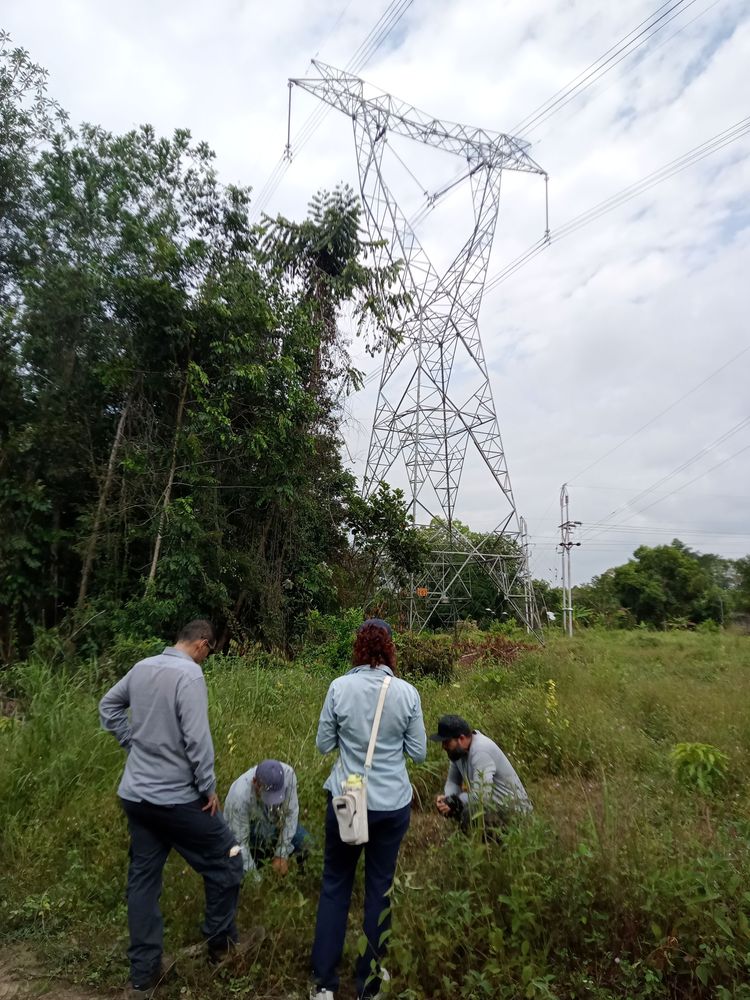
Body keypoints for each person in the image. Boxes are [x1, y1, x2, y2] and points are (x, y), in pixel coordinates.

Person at [99, 619, 244, 997]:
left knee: (143, 880)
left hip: (136, 796)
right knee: (228, 858)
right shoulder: (190, 677)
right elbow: (198, 740)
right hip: (175, 799)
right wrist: (208, 788)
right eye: (209, 652)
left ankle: (144, 976)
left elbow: (108, 706)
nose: (206, 659)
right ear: (201, 644)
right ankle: (221, 946)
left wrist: (131, 743)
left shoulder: (142, 667)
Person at [310, 618, 427, 1000]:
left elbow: (325, 744)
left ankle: (325, 985)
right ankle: (370, 985)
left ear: (358, 648)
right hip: (391, 805)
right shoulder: (407, 693)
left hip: (347, 800)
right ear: (391, 648)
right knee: (379, 890)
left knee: (335, 885)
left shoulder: (338, 688)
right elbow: (419, 753)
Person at [431, 714, 532, 831]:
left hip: (514, 813)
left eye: (446, 742)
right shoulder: (458, 752)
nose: (443, 746)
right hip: (492, 806)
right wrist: (448, 801)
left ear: (462, 739)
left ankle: (493, 846)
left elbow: (481, 798)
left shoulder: (481, 751)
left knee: (468, 813)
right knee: (460, 807)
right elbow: (453, 781)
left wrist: (456, 802)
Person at [224, 758, 309, 878]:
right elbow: (240, 844)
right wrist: (256, 881)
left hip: (272, 824)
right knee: (237, 870)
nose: (272, 803)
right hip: (250, 833)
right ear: (255, 782)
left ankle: (301, 878)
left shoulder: (288, 775)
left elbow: (291, 813)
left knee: (306, 843)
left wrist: (282, 853)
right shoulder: (239, 797)